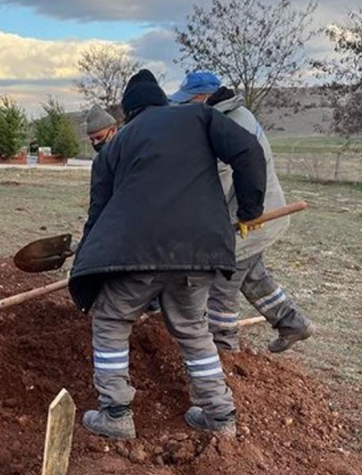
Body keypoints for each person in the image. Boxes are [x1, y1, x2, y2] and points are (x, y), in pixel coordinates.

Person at [69, 70, 267, 441]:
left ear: (128, 113)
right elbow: (248, 151)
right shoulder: (201, 116)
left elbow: (99, 213)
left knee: (111, 320)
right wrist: (250, 210)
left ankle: (115, 414)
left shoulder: (115, 147)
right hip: (199, 251)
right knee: (193, 329)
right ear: (161, 100)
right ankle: (220, 415)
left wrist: (87, 264)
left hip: (136, 253)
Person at [169, 71, 314, 353]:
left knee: (222, 280)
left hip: (253, 217)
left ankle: (224, 349)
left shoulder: (228, 123)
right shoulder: (235, 113)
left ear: (203, 98)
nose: (185, 108)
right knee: (251, 273)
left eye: (188, 102)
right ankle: (292, 322)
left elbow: (221, 184)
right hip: (261, 212)